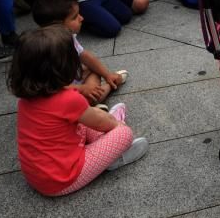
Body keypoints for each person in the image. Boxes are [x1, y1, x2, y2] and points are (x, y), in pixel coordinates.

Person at [9, 26, 148, 196]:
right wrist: (116, 124)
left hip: (38, 176)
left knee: (83, 119)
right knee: (123, 133)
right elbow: (103, 123)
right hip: (63, 179)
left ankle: (106, 147)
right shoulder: (69, 100)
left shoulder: (25, 99)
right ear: (66, 66)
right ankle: (113, 158)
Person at [32, 0, 129, 106]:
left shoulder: (69, 37)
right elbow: (53, 87)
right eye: (74, 17)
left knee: (93, 70)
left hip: (73, 83)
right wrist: (83, 89)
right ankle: (108, 89)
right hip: (59, 96)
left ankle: (95, 98)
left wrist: (107, 74)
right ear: (56, 26)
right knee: (86, 100)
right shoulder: (46, 51)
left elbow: (84, 55)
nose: (81, 18)